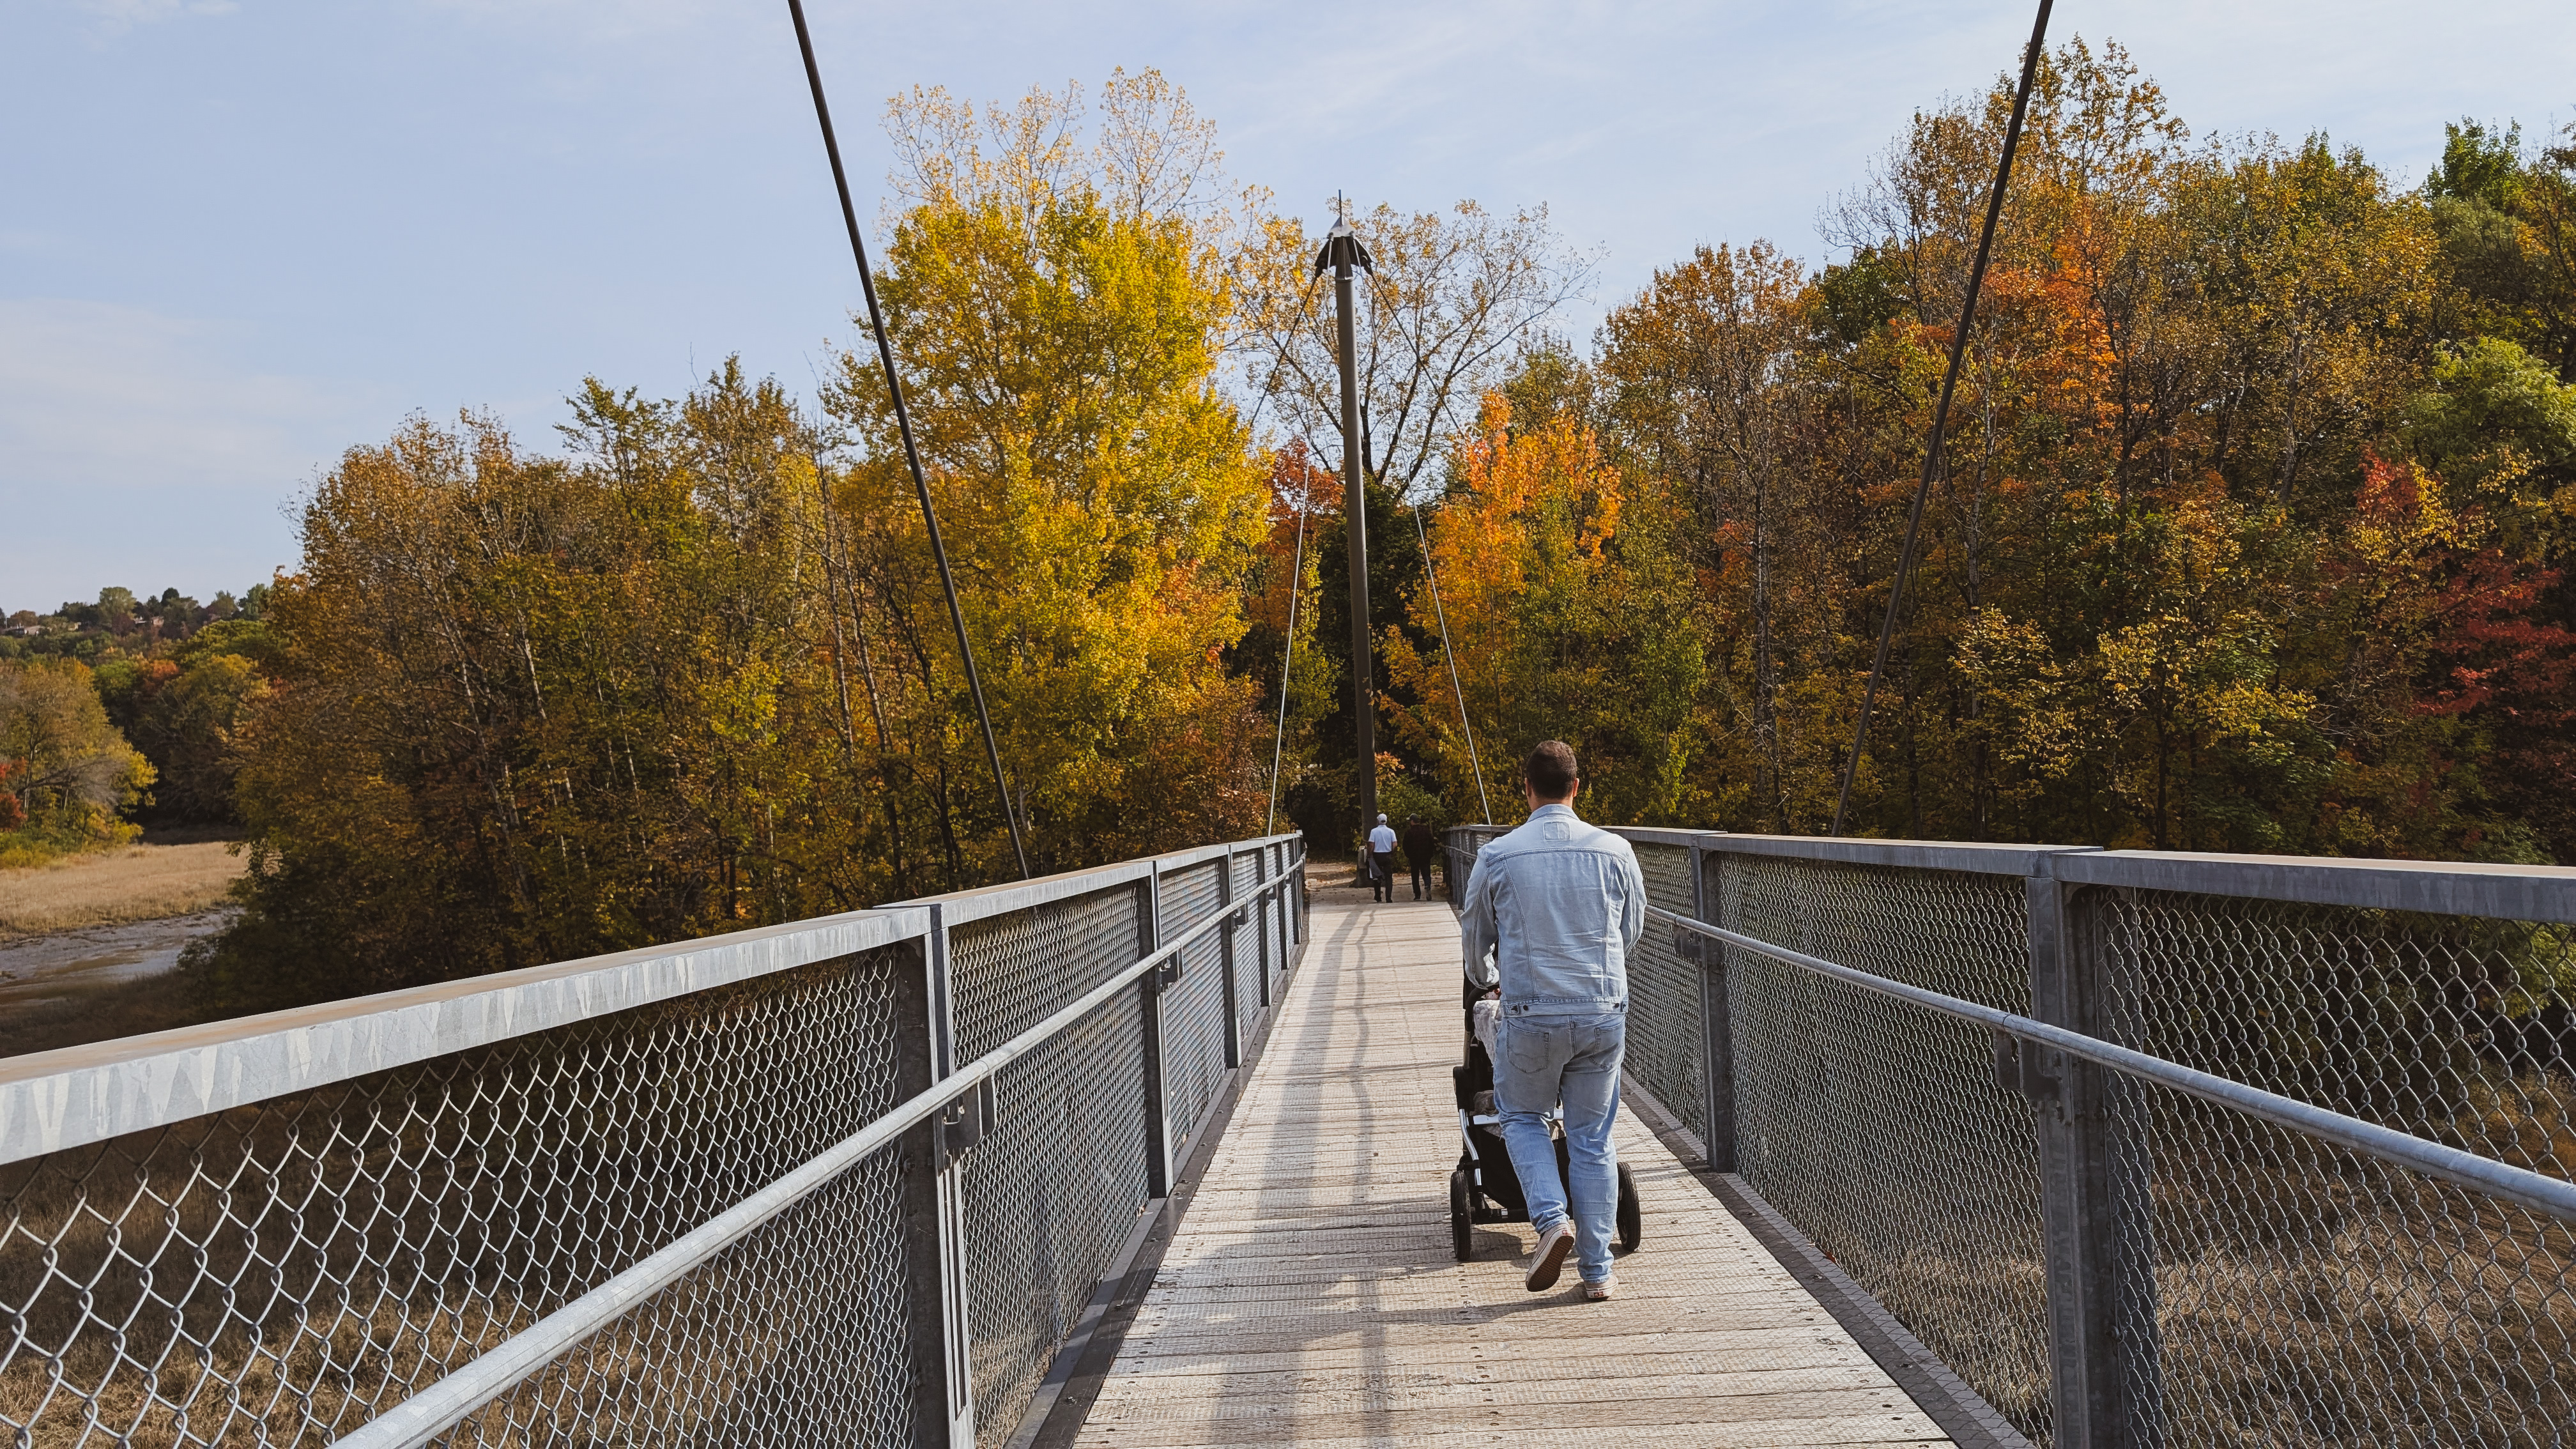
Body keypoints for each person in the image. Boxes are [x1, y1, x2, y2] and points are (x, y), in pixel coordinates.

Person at [1457, 740, 1643, 1302]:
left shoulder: (1497, 856)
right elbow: (1629, 931)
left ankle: (1549, 1222)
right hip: (1601, 1011)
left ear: (1526, 788)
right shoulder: (1616, 851)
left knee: (1521, 1116)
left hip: (1531, 1014)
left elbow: (1475, 939)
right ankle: (1597, 1273)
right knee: (1591, 1137)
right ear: (1577, 788)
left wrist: (1490, 974)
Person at [1365, 813, 1398, 903]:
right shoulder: (1391, 831)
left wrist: (1369, 854)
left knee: (1377, 875)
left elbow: (1371, 844)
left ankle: (1378, 896)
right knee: (1388, 877)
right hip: (1388, 855)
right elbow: (1395, 844)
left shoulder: (1374, 831)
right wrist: (1392, 853)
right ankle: (1388, 898)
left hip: (1377, 856)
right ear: (1386, 821)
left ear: (1378, 821)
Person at [1402, 815, 1437, 900]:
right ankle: (1427, 885)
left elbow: (1405, 846)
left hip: (1414, 857)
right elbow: (1432, 843)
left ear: (1412, 822)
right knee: (1426, 874)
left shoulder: (1409, 832)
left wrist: (1409, 855)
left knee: (1415, 876)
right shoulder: (1426, 831)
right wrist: (1430, 854)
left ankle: (1417, 894)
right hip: (1425, 856)